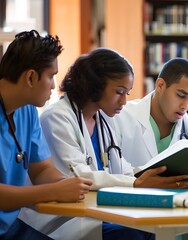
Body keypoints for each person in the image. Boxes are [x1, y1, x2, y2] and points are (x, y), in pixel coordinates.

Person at [19, 48, 188, 240]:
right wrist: (136, 183)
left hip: (96, 213)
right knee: (132, 234)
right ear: (95, 85)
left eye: (127, 93)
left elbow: (121, 169)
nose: (124, 101)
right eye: (119, 92)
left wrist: (158, 176)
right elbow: (80, 177)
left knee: (149, 228)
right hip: (58, 221)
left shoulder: (103, 120)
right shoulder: (58, 117)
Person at [0, 30, 93, 239]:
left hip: (9, 226)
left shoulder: (27, 110)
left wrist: (73, 185)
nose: (53, 85)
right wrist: (54, 192)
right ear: (31, 77)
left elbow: (41, 170)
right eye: (51, 76)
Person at [113, 57, 188, 240]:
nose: (186, 106)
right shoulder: (122, 118)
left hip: (186, 224)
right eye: (181, 95)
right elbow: (111, 173)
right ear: (160, 85)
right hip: (137, 223)